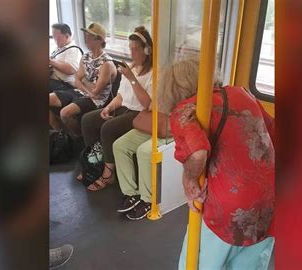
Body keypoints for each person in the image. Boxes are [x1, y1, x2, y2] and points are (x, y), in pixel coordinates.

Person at [160, 61, 275, 269]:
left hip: (231, 207)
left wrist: (189, 180)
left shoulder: (185, 110)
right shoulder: (242, 93)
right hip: (271, 197)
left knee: (200, 260)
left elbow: (198, 151)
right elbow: (272, 131)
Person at [112, 58, 203, 220]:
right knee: (120, 145)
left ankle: (147, 199)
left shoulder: (199, 100)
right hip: (158, 125)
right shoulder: (167, 88)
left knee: (145, 151)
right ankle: (130, 193)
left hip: (173, 131)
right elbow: (151, 106)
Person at [78, 26, 154, 192]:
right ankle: (95, 163)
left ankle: (108, 174)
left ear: (147, 50)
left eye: (136, 49)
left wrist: (133, 79)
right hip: (123, 107)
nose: (132, 53)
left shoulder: (153, 73)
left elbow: (148, 104)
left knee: (108, 128)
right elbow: (120, 96)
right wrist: (109, 107)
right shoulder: (131, 68)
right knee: (88, 120)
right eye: (130, 49)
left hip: (139, 113)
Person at [49, 22, 117, 138]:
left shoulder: (107, 63)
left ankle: (77, 136)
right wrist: (85, 85)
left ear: (99, 40)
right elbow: (77, 80)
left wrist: (83, 82)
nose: (86, 38)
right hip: (81, 92)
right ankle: (60, 135)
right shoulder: (85, 57)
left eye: (90, 36)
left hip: (96, 100)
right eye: (86, 36)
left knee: (64, 113)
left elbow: (96, 92)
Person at [49, 23, 82, 93]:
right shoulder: (58, 49)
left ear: (67, 36)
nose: (55, 41)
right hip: (54, 80)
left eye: (57, 38)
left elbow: (70, 70)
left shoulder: (73, 50)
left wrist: (51, 62)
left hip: (64, 85)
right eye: (53, 37)